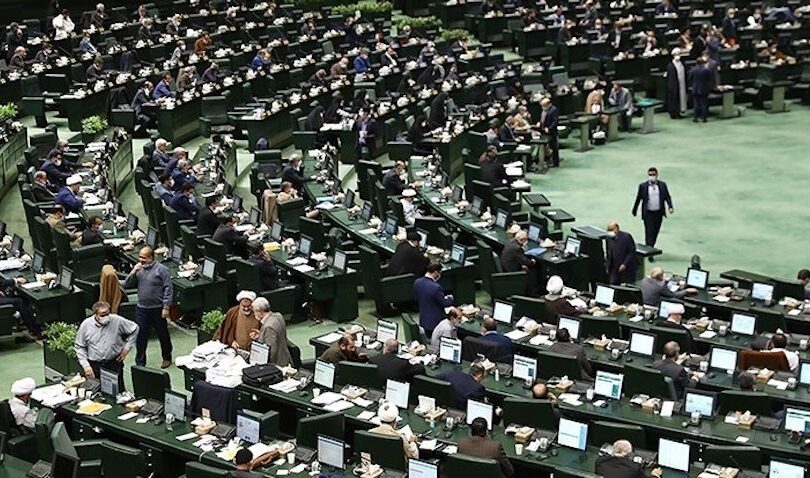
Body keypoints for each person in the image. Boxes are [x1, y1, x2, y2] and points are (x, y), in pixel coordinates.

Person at [124, 247, 173, 368]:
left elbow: (168, 288)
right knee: (140, 336)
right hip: (142, 308)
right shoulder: (139, 269)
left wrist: (166, 306)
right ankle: (140, 362)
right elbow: (127, 284)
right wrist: (133, 271)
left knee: (162, 334)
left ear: (151, 258)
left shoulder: (162, 270)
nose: (141, 260)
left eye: (144, 258)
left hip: (157, 308)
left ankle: (167, 357)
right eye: (140, 257)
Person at [75, 301, 138, 384]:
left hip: (114, 363)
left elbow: (135, 328)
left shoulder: (117, 320)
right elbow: (79, 346)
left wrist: (127, 348)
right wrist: (86, 366)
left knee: (118, 389)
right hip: (95, 366)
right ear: (95, 314)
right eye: (102, 315)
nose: (106, 317)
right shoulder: (86, 325)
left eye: (107, 314)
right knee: (97, 389)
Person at [632, 167, 674, 251]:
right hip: (648, 213)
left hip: (658, 212)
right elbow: (639, 198)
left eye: (653, 174)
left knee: (655, 232)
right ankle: (649, 248)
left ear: (657, 175)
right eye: (650, 175)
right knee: (649, 232)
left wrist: (670, 206)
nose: (652, 176)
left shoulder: (662, 185)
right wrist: (634, 210)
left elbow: (667, 196)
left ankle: (651, 245)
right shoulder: (643, 186)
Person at [413, 263, 454, 337]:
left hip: (424, 321)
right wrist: (450, 298)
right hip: (436, 323)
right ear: (436, 272)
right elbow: (444, 303)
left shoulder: (417, 282)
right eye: (440, 273)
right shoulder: (436, 287)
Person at [250, 297, 293, 366]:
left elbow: (271, 352)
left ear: (259, 312)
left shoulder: (268, 327)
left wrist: (267, 367)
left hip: (279, 364)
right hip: (286, 357)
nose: (254, 314)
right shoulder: (278, 316)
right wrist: (261, 335)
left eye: (254, 311)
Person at [500, 230, 539, 296]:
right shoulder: (517, 248)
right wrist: (533, 262)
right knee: (533, 272)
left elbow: (518, 259)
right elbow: (525, 261)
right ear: (522, 239)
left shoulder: (511, 242)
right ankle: (533, 293)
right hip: (512, 271)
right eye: (526, 239)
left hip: (506, 266)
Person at [689, 55, 713, 123]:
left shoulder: (693, 70)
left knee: (696, 104)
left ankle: (695, 118)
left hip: (695, 88)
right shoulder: (706, 70)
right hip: (704, 89)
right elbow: (710, 79)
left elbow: (690, 78)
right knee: (704, 104)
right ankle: (704, 118)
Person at [666, 48, 687, 119]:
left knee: (681, 98)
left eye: (679, 54)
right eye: (676, 54)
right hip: (674, 85)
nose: (678, 55)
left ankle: (679, 112)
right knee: (673, 99)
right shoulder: (671, 65)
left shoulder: (682, 63)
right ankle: (673, 113)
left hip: (682, 84)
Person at [539, 97, 560, 167]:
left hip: (552, 131)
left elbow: (555, 121)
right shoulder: (545, 110)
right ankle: (549, 160)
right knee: (547, 147)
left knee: (554, 147)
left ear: (548, 104)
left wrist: (549, 128)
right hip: (544, 130)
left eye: (544, 105)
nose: (542, 107)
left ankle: (555, 162)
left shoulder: (554, 110)